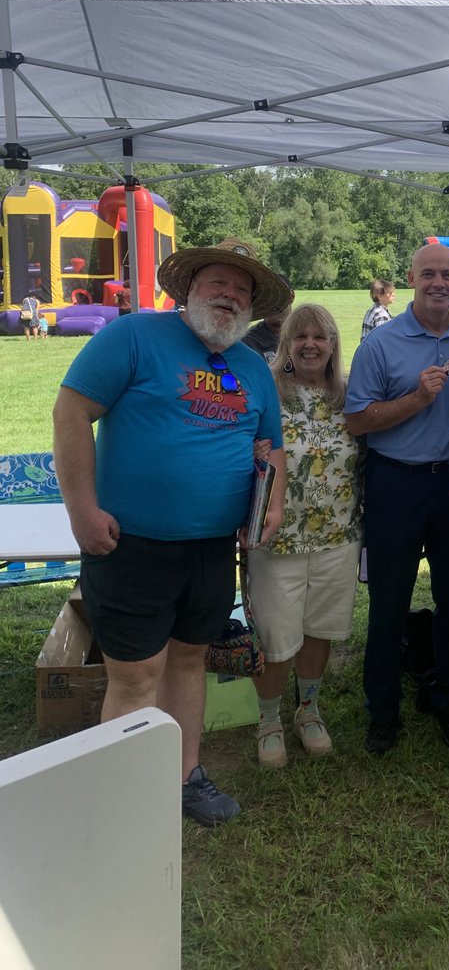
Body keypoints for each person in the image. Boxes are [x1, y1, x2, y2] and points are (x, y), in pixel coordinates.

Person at [52, 237, 291, 826]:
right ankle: (126, 791)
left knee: (189, 661)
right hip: (129, 543)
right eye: (218, 284)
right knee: (135, 673)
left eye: (242, 291)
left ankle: (185, 775)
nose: (230, 297)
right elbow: (71, 412)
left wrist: (271, 507)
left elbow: (273, 450)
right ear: (188, 290)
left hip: (211, 547)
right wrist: (82, 508)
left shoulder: (252, 368)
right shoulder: (133, 337)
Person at [345, 243, 449, 754]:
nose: (439, 283)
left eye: (448, 274)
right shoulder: (381, 344)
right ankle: (382, 712)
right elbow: (357, 419)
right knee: (388, 602)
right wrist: (417, 400)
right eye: (429, 274)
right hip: (394, 481)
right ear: (411, 278)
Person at [248, 304, 362, 767]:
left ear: (334, 345)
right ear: (286, 346)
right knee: (276, 636)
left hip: (339, 534)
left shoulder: (350, 394)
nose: (311, 344)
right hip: (278, 538)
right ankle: (269, 719)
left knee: (320, 629)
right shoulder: (267, 391)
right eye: (301, 337)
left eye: (321, 337)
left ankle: (308, 710)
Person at [243, 274, 293, 363]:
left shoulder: (306, 333)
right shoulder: (249, 342)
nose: (275, 304)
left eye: (280, 298)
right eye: (270, 299)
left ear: (291, 296)